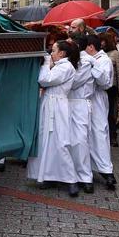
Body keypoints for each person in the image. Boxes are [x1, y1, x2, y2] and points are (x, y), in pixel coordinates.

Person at [28, 40, 80, 197]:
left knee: (60, 142)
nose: (51, 53)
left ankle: (71, 179)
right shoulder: (60, 66)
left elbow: (45, 80)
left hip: (57, 106)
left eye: (54, 50)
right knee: (47, 142)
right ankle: (50, 175)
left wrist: (45, 65)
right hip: (50, 104)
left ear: (62, 53)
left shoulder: (65, 67)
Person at [86, 34, 117, 190]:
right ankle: (87, 169)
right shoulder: (90, 59)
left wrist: (92, 64)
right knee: (86, 133)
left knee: (99, 132)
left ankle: (106, 170)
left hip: (97, 99)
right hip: (85, 100)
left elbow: (104, 82)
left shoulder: (103, 60)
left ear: (91, 47)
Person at [69, 36, 95, 193]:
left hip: (79, 103)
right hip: (67, 103)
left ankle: (85, 177)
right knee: (66, 140)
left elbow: (73, 82)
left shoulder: (85, 62)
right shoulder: (70, 61)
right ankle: (68, 174)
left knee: (80, 141)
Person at [100, 33, 119, 147]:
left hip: (112, 87)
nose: (101, 43)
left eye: (103, 40)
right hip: (101, 87)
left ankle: (113, 136)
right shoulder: (97, 54)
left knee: (111, 113)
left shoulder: (115, 53)